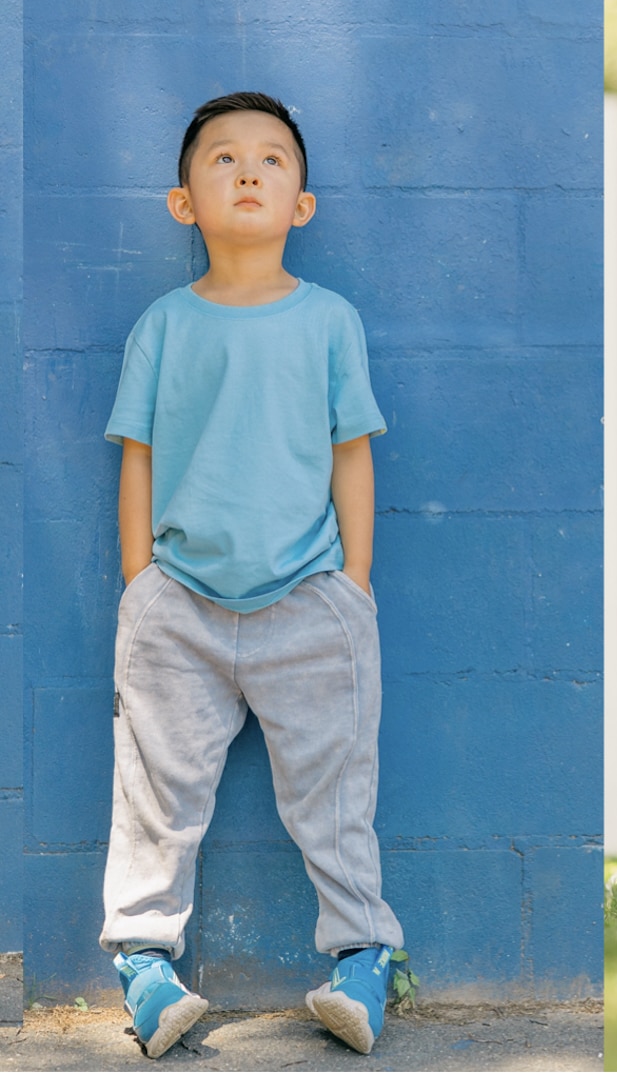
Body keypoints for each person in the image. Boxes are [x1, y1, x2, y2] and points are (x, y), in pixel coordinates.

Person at [100, 92, 403, 1058]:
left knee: (333, 787)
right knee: (155, 789)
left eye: (272, 160)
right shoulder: (163, 325)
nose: (247, 171)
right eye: (222, 158)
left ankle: (362, 958)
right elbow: (136, 456)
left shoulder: (329, 321)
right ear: (183, 202)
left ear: (301, 204)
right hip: (177, 602)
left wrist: (353, 579)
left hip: (312, 598)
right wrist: (140, 580)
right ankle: (146, 966)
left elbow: (351, 451)